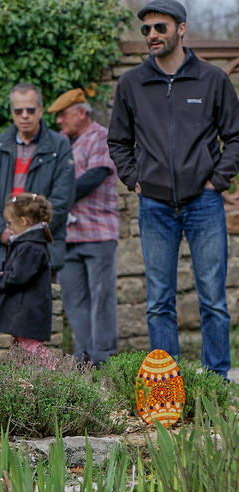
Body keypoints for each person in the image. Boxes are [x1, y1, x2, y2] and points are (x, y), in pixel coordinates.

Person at [108, 0, 239, 379]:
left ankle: (216, 382)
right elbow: (118, 141)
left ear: (181, 28)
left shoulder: (212, 79)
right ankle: (167, 384)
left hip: (204, 202)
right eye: (146, 29)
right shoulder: (132, 83)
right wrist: (134, 178)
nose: (152, 35)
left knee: (213, 300)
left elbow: (234, 137)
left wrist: (217, 180)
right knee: (158, 302)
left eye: (160, 27)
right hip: (154, 204)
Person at [47, 89, 119, 366]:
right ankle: (84, 359)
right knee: (73, 299)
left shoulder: (101, 136)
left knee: (102, 296)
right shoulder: (59, 142)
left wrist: (58, 196)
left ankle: (103, 357)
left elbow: (94, 176)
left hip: (98, 232)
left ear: (80, 112)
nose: (59, 121)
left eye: (63, 115)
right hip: (66, 235)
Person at [0, 83, 75, 272]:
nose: (24, 116)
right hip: (2, 249)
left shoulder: (59, 147)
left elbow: (62, 199)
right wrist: (1, 229)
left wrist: (30, 233)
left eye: (30, 110)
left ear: (40, 110)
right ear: (12, 112)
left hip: (43, 251)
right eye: (18, 111)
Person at [0, 193, 54, 359]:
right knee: (19, 349)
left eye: (10, 223)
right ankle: (22, 376)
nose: (9, 227)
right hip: (23, 311)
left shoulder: (31, 247)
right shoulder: (28, 244)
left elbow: (18, 277)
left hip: (28, 312)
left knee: (30, 348)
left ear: (23, 221)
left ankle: (56, 372)